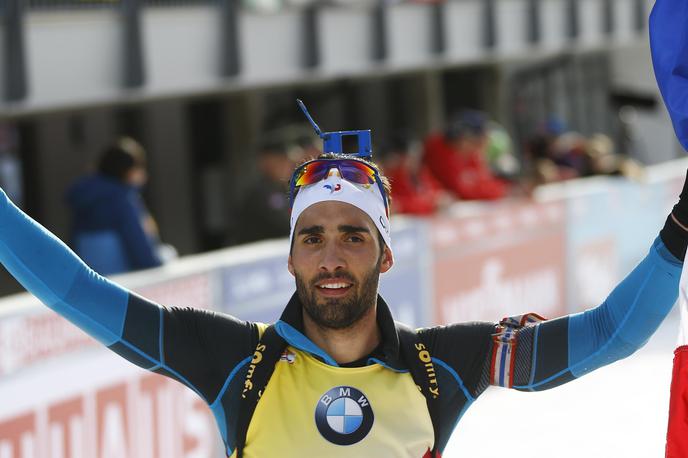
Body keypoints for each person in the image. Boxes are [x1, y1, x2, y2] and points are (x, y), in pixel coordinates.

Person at [0, 129, 684, 456]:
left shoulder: (443, 366)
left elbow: (609, 336)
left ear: (385, 252)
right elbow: (73, 292)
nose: (332, 256)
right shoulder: (233, 360)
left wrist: (678, 234)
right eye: (312, 237)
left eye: (354, 236)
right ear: (292, 257)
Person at [66, 137, 163, 275]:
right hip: (122, 282)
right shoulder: (121, 199)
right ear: (127, 171)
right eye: (140, 167)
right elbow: (140, 249)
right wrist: (158, 265)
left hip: (91, 282)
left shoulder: (84, 197)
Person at [423, 110, 509, 200]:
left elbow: (484, 180)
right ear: (463, 137)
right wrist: (500, 190)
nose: (478, 148)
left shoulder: (469, 153)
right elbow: (461, 191)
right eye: (476, 142)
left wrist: (500, 189)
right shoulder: (439, 151)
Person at [235, 141, 297, 244]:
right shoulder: (262, 192)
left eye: (288, 161)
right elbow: (284, 225)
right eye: (280, 160)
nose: (287, 165)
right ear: (265, 162)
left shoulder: (282, 189)